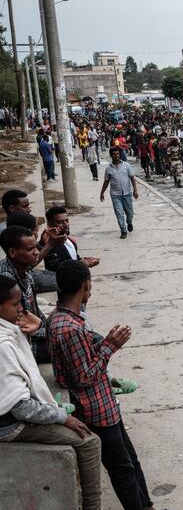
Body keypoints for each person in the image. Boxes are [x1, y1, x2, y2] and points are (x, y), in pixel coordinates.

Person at [48, 260, 153, 510]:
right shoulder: (69, 328)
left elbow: (81, 361)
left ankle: (146, 504)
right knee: (122, 468)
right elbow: (83, 376)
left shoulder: (68, 320)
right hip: (96, 408)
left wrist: (100, 346)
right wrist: (109, 346)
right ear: (86, 286)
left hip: (104, 402)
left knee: (131, 460)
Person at [0, 275, 103, 510]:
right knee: (89, 441)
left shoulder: (9, 332)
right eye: (15, 304)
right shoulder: (3, 345)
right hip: (8, 425)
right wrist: (61, 417)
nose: (21, 309)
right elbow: (20, 407)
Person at [0, 226, 49, 363]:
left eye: (35, 247)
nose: (36, 252)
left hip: (36, 333)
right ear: (12, 252)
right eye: (30, 249)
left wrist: (47, 326)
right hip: (25, 345)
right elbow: (21, 326)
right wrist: (50, 332)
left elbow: (36, 311)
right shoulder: (7, 280)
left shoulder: (24, 268)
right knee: (86, 341)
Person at [42, 206, 100, 272]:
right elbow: (57, 269)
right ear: (49, 224)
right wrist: (82, 263)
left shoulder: (69, 241)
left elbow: (73, 259)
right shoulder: (48, 245)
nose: (66, 224)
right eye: (60, 222)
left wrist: (87, 261)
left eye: (67, 221)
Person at [100, 147, 138, 239]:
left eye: (117, 154)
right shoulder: (108, 168)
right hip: (115, 195)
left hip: (127, 194)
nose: (116, 156)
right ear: (111, 155)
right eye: (114, 154)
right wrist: (102, 193)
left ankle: (129, 222)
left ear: (119, 155)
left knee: (130, 213)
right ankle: (123, 230)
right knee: (119, 213)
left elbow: (132, 177)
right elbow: (106, 181)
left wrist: (135, 190)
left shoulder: (126, 165)